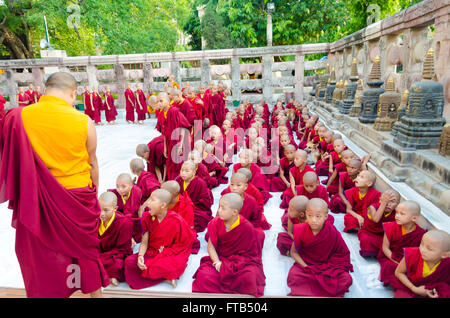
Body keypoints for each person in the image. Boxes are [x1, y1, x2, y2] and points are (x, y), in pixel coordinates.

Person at [0, 72, 109, 297]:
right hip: (77, 197)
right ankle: (96, 294)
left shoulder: (17, 116)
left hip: (35, 198)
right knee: (85, 252)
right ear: (73, 93)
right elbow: (92, 162)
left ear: (45, 90)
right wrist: (93, 196)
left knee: (43, 256)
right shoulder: (83, 121)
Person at [192, 193, 266, 297]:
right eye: (219, 207)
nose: (218, 211)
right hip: (221, 259)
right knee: (203, 276)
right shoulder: (215, 222)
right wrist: (217, 263)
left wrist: (233, 266)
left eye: (223, 208)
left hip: (240, 262)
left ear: (234, 212)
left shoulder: (247, 227)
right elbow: (211, 247)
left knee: (250, 277)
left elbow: (251, 255)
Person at [124, 189, 194, 290]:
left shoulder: (176, 220)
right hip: (151, 253)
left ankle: (160, 275)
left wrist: (167, 251)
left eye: (152, 200)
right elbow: (144, 243)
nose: (148, 203)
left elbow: (183, 244)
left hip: (167, 255)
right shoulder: (147, 217)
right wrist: (140, 256)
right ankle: (165, 278)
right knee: (129, 262)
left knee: (178, 264)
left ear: (163, 205)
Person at [287, 198, 353, 297]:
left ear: (326, 216)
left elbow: (342, 254)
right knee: (294, 275)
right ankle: (324, 291)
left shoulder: (332, 231)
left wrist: (329, 268)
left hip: (328, 266)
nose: (314, 220)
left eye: (318, 216)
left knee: (346, 279)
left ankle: (307, 290)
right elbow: (294, 252)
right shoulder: (300, 229)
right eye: (310, 215)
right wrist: (306, 267)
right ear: (305, 214)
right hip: (308, 264)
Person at [377, 200, 426, 288]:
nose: (397, 216)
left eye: (402, 214)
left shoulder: (420, 233)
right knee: (390, 266)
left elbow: (417, 253)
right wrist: (395, 260)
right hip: (390, 256)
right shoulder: (390, 226)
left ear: (414, 218)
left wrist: (405, 263)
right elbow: (385, 248)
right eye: (397, 213)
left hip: (406, 260)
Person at [394, 229, 450, 298]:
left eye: (429, 249)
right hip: (410, 286)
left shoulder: (447, 264)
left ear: (444, 255)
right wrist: (414, 288)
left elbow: (445, 284)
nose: (422, 250)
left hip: (432, 290)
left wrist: (437, 294)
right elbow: (398, 272)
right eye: (422, 244)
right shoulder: (412, 254)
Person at [98, 192, 133, 286]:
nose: (101, 214)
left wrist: (102, 256)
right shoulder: (95, 219)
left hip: (116, 254)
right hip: (101, 252)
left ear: (115, 209)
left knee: (118, 265)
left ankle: (109, 274)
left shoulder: (124, 223)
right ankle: (108, 275)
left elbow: (124, 250)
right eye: (99, 209)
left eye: (106, 210)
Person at [156, 92, 191, 180]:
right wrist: (165, 148)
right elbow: (164, 133)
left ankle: (180, 183)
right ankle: (173, 183)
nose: (159, 103)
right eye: (157, 102)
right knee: (170, 165)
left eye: (161, 101)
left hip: (179, 141)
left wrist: (180, 145)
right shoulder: (161, 114)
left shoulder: (174, 111)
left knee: (179, 165)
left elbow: (183, 128)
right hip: (169, 143)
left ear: (168, 101)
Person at [357, 189, 399, 257]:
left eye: (392, 201)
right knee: (366, 239)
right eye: (385, 200)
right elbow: (376, 219)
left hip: (382, 236)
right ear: (380, 200)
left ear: (397, 204)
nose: (388, 204)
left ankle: (379, 252)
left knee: (393, 245)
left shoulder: (395, 214)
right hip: (369, 232)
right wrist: (383, 204)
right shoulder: (373, 207)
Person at [175, 161, 213, 233]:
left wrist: (191, 205)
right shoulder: (178, 179)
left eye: (187, 171)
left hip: (196, 208)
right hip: (180, 206)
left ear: (193, 173)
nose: (183, 173)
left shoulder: (200, 183)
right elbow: (173, 194)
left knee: (198, 219)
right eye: (182, 170)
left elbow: (206, 200)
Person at [108, 173, 143, 245]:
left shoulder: (136, 191)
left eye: (123, 187)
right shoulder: (113, 194)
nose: (119, 189)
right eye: (117, 186)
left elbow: (137, 208)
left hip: (133, 222)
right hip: (121, 223)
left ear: (131, 186)